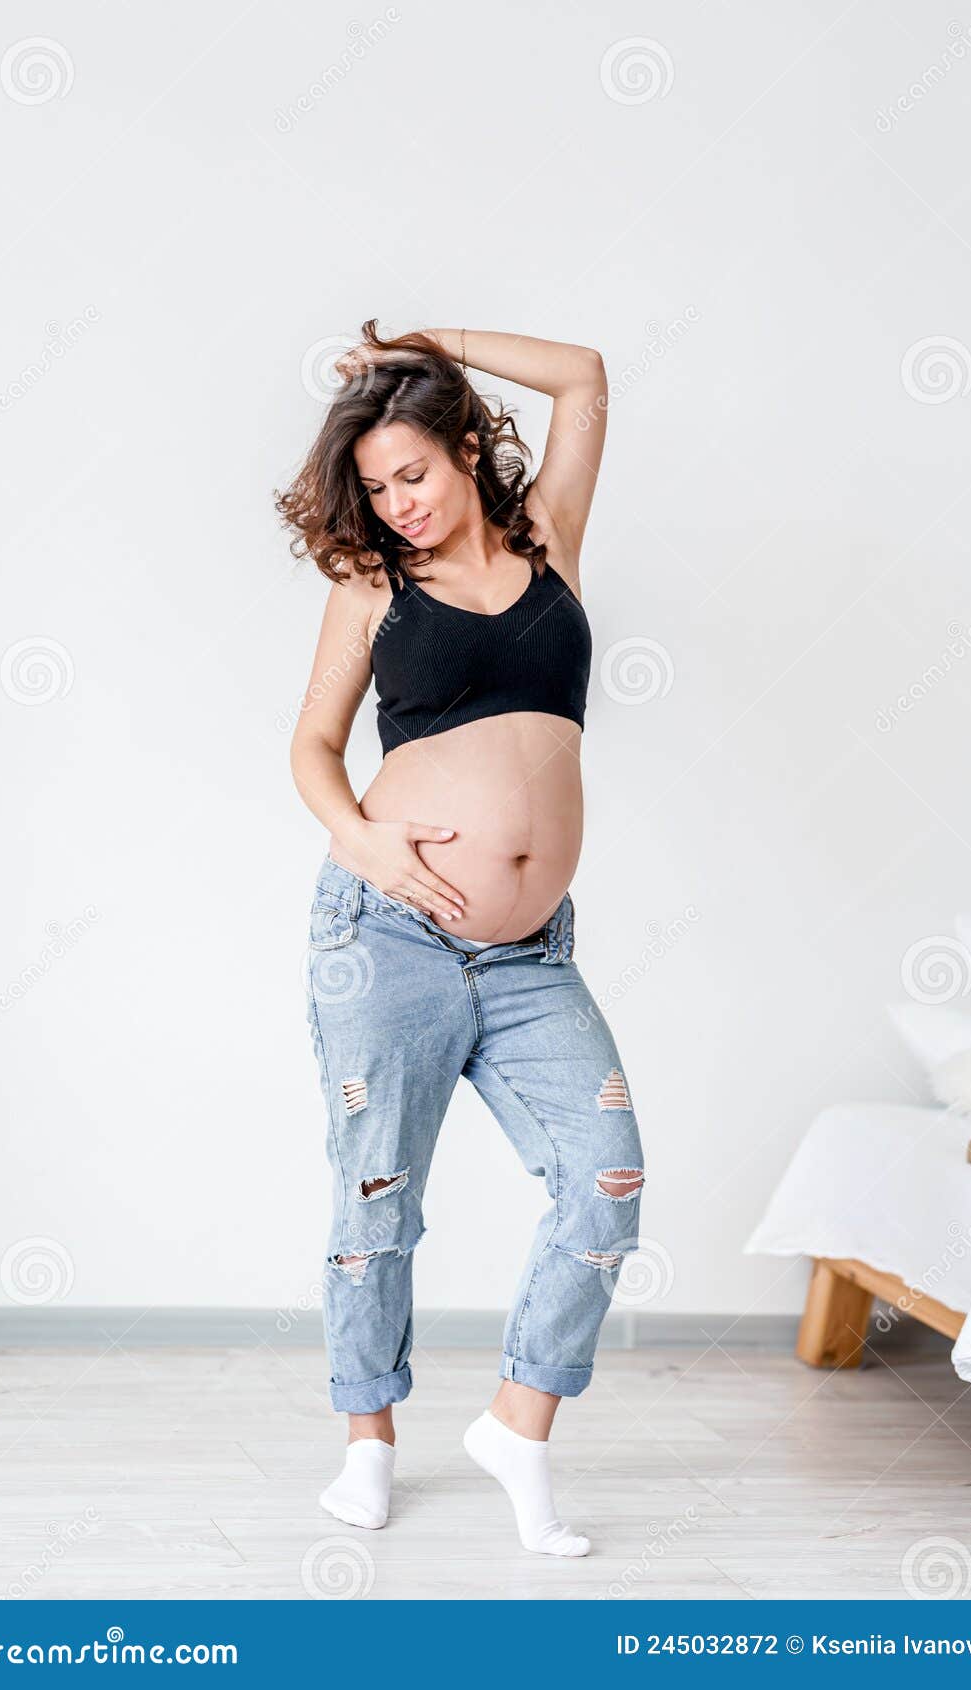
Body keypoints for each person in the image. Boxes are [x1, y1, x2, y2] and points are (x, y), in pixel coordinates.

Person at [277, 321, 645, 1557]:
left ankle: (515, 1423)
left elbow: (584, 374)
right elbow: (311, 749)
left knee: (604, 1175)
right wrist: (366, 844)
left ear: (466, 449)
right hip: (387, 934)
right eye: (376, 488)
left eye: (413, 474)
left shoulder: (549, 539)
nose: (398, 504)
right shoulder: (372, 585)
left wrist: (421, 337)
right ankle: (367, 1439)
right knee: (377, 1191)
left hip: (532, 954)